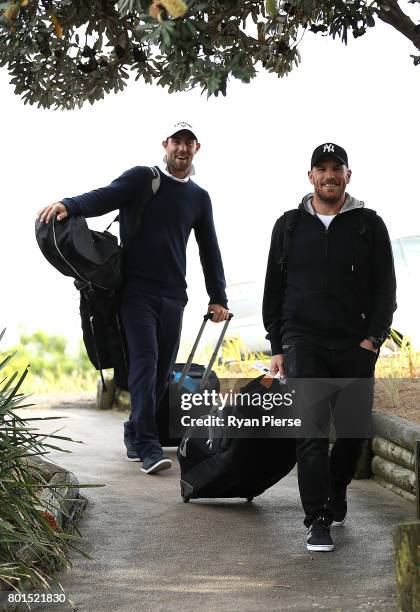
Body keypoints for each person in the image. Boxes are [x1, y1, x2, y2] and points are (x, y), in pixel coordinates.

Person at [38, 121, 229, 475]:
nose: (182, 149)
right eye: (176, 142)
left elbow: (209, 249)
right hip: (136, 291)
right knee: (145, 361)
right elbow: (105, 196)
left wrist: (218, 296)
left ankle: (133, 430)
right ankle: (147, 444)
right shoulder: (143, 178)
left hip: (175, 296)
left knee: (159, 373)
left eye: (189, 143)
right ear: (165, 144)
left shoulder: (199, 198)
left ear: (196, 149)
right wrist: (69, 204)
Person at [263, 143, 396, 552]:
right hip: (304, 342)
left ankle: (336, 490)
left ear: (347, 176)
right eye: (321, 169)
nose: (329, 175)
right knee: (311, 432)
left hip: (355, 344)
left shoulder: (368, 224)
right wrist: (277, 345)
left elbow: (384, 288)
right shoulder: (288, 226)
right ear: (310, 177)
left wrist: (372, 338)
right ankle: (317, 519)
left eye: (336, 168)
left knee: (353, 434)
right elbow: (274, 288)